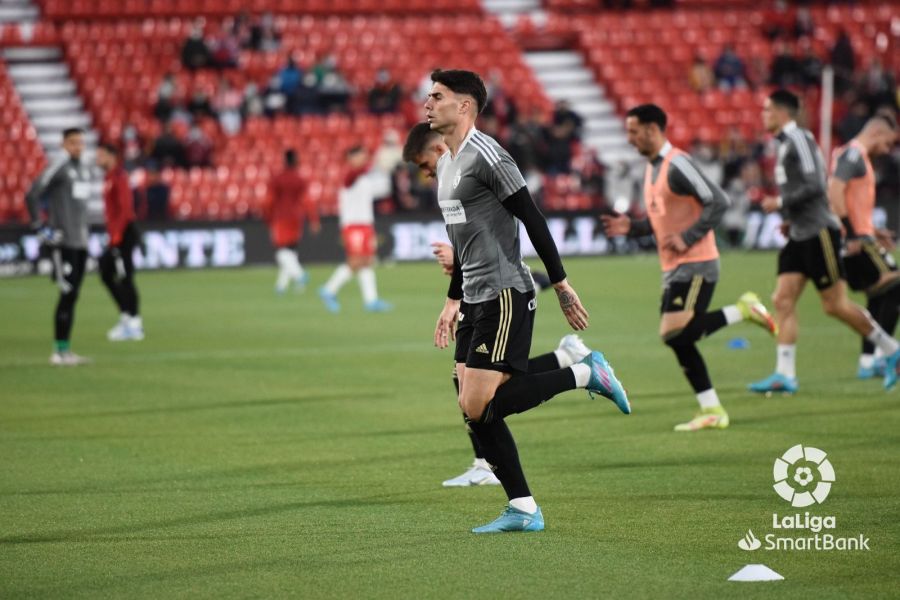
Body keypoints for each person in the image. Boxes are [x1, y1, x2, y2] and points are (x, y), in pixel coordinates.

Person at [421, 69, 630, 533]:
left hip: (506, 293)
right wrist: (451, 299)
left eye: (437, 96)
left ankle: (583, 373)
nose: (427, 103)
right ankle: (523, 508)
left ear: (465, 106)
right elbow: (467, 241)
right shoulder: (447, 163)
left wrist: (560, 282)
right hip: (474, 295)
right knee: (469, 400)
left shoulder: (489, 156)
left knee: (478, 406)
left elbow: (533, 218)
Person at [601, 105, 776, 431]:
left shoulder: (677, 164)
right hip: (675, 265)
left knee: (673, 331)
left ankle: (744, 310)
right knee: (677, 338)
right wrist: (634, 228)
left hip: (697, 262)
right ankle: (711, 409)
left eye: (634, 132)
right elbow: (661, 221)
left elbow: (719, 200)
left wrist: (689, 236)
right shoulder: (653, 169)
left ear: (653, 129)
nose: (629, 138)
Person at [749, 90, 900, 393]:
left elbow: (816, 185)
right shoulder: (783, 145)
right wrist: (790, 216)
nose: (763, 116)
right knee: (783, 299)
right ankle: (785, 374)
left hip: (819, 233)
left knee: (835, 305)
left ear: (782, 113)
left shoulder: (800, 140)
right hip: (800, 233)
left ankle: (891, 349)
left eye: (767, 111)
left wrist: (780, 203)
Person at [827, 114, 900, 378]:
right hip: (855, 242)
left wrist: (872, 230)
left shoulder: (855, 156)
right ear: (878, 133)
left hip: (860, 237)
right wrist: (854, 234)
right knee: (895, 287)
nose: (889, 149)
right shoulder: (854, 156)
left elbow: (847, 199)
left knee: (879, 294)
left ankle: (870, 361)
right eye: (889, 143)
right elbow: (834, 192)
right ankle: (887, 355)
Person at [25, 128, 93, 365]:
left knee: (73, 295)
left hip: (81, 242)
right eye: (73, 142)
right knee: (66, 293)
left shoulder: (84, 169)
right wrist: (40, 227)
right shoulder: (58, 167)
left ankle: (66, 350)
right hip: (63, 242)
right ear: (63, 144)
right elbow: (33, 193)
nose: (77, 147)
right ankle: (58, 351)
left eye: (80, 142)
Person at [318, 146, 392, 312]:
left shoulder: (364, 178)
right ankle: (329, 290)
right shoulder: (349, 175)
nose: (363, 159)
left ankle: (371, 300)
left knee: (367, 261)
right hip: (353, 225)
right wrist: (373, 164)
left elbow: (381, 191)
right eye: (360, 156)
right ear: (350, 158)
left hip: (365, 224)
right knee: (356, 261)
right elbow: (355, 174)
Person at [96, 144, 144, 342]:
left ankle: (134, 323)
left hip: (123, 234)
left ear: (112, 156)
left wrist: (116, 236)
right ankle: (126, 316)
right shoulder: (109, 178)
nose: (97, 159)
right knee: (106, 272)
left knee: (125, 277)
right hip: (116, 234)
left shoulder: (119, 177)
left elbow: (125, 210)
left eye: (101, 155)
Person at [264, 150, 319, 294]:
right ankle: (281, 286)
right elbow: (308, 200)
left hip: (280, 218)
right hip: (296, 218)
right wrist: (313, 219)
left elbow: (268, 201)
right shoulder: (299, 179)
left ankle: (300, 275)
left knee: (281, 252)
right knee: (291, 252)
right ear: (296, 161)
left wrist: (268, 218)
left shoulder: (277, 179)